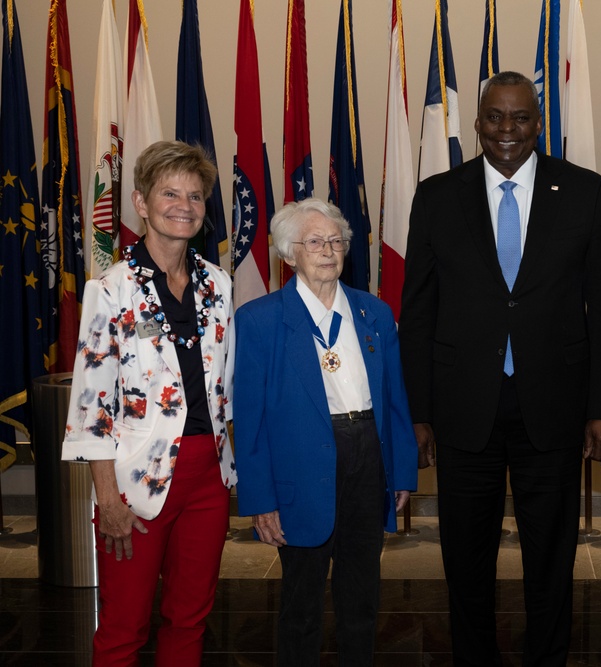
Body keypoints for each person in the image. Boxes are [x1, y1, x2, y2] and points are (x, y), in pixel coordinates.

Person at [398, 70, 601, 666]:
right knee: (464, 558)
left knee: (550, 557)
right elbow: (418, 313)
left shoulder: (584, 191)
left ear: (538, 123)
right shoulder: (437, 195)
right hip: (462, 409)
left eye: (520, 117)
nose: (507, 130)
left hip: (553, 409)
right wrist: (417, 413)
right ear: (477, 124)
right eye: (495, 118)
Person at [62, 140, 235, 665]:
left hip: (209, 477)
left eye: (195, 195)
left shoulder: (219, 285)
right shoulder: (111, 288)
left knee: (190, 619)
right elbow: (92, 401)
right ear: (141, 203)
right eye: (169, 193)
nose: (184, 205)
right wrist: (107, 499)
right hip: (135, 482)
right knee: (123, 626)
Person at [233, 198, 418, 666]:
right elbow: (248, 419)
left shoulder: (374, 313)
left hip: (367, 461)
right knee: (302, 601)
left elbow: (395, 399)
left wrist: (401, 472)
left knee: (362, 594)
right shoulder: (259, 321)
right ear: (288, 254)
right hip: (301, 468)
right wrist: (261, 500)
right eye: (315, 242)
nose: (328, 250)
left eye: (336, 241)